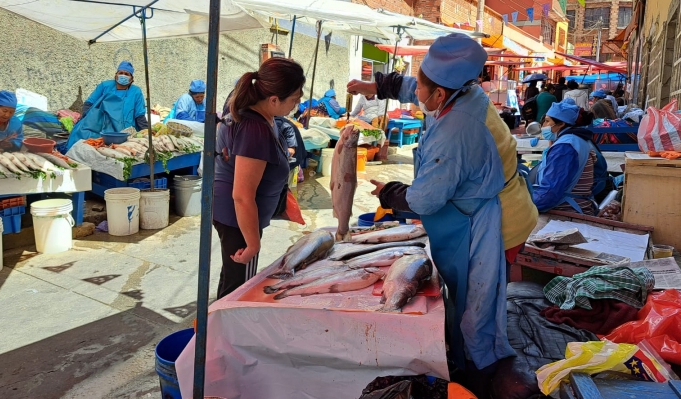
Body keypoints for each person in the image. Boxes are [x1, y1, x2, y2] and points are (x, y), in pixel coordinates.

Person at [348, 33, 537, 377]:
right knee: (473, 297)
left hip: (495, 223)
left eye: (422, 88)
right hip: (493, 205)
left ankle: (479, 371)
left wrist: (389, 193)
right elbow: (417, 86)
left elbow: (426, 198)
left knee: (478, 306)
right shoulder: (463, 91)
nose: (416, 92)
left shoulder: (457, 129)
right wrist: (376, 86)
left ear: (440, 93)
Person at [213, 58, 305, 299]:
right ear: (274, 99)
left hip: (237, 217)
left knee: (233, 277)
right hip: (238, 219)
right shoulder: (255, 128)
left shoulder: (263, 118)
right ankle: (219, 332)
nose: (298, 103)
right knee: (239, 287)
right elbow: (242, 196)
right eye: (295, 99)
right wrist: (253, 243)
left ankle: (214, 327)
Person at [532, 99, 608, 215]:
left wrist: (524, 207)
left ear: (561, 123)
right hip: (579, 205)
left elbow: (550, 193)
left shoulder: (565, 147)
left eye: (547, 121)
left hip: (565, 209)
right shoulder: (576, 140)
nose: (543, 126)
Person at [68, 61, 148, 148]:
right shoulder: (104, 86)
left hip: (123, 132)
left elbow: (139, 116)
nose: (123, 75)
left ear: (131, 79)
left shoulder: (136, 91)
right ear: (116, 75)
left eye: (126, 74)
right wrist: (88, 120)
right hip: (99, 127)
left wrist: (147, 132)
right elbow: (88, 104)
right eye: (120, 73)